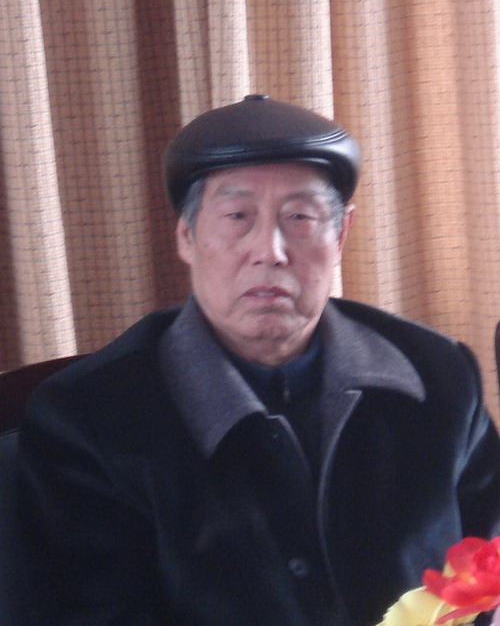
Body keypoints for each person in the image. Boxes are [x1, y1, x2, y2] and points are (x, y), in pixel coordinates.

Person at [19, 95, 500, 626]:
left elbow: (483, 579)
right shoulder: (88, 418)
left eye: (300, 217)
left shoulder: (438, 374)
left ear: (341, 234)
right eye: (237, 216)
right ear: (187, 236)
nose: (269, 250)